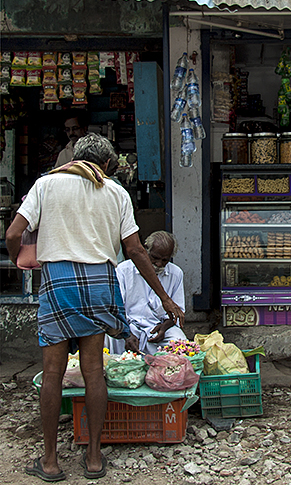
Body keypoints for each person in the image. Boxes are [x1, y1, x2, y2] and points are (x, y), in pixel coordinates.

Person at [5, 133, 184, 482]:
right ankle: (93, 459)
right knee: (93, 371)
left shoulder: (46, 185)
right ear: (104, 164)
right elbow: (135, 251)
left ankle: (51, 462)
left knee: (53, 372)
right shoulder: (116, 192)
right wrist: (163, 295)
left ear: (75, 156)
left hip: (58, 281)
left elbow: (14, 235)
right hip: (100, 282)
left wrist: (20, 261)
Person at [106, 231, 187, 356]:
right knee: (110, 339)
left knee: (181, 343)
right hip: (129, 326)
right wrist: (127, 333)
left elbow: (178, 312)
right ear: (145, 250)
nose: (159, 264)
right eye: (155, 258)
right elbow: (116, 309)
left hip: (157, 327)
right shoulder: (124, 270)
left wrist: (164, 328)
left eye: (164, 260)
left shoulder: (176, 274)